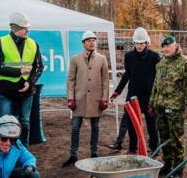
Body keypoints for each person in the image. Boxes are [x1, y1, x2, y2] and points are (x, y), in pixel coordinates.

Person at [0, 12, 44, 146]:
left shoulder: (33, 44)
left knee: (25, 122)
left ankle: (22, 150)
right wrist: (18, 72)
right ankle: (6, 150)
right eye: (25, 28)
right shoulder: (0, 43)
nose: (28, 30)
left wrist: (30, 82)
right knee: (6, 122)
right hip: (6, 91)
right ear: (15, 28)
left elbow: (39, 67)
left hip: (26, 91)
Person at [149, 36, 187, 178]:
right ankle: (168, 164)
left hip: (176, 108)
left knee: (176, 138)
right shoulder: (160, 64)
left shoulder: (185, 64)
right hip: (161, 107)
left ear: (176, 46)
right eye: (164, 46)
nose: (166, 48)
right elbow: (156, 86)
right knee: (164, 137)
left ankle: (178, 168)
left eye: (169, 46)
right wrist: (152, 103)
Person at [108, 27, 161, 154]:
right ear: (134, 43)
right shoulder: (129, 57)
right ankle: (133, 149)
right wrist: (118, 91)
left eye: (141, 43)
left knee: (151, 125)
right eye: (137, 43)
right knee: (132, 125)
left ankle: (154, 149)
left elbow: (159, 79)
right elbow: (127, 75)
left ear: (146, 43)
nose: (139, 46)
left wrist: (157, 97)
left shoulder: (155, 57)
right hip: (133, 96)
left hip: (149, 98)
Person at [61, 30, 110, 167]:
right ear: (83, 43)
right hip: (79, 99)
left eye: (94, 40)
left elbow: (106, 81)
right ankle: (73, 154)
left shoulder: (102, 59)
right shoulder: (75, 59)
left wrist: (105, 98)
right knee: (75, 127)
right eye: (89, 40)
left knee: (95, 127)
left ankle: (94, 152)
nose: (92, 42)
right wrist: (70, 98)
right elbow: (70, 80)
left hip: (96, 100)